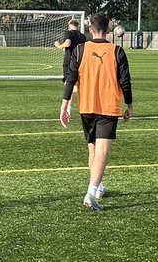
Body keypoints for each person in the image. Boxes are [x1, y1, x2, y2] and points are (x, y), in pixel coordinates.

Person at [60, 12, 133, 212]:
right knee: (102, 150)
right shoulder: (117, 51)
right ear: (109, 30)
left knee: (93, 148)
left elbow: (71, 78)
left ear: (90, 30)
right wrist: (130, 105)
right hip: (108, 107)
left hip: (87, 106)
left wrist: (65, 104)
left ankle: (98, 186)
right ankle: (91, 192)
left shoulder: (80, 50)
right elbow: (125, 82)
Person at [54, 18, 86, 90]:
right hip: (80, 61)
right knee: (77, 83)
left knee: (68, 83)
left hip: (69, 60)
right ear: (77, 26)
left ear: (69, 26)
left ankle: (68, 100)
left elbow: (68, 43)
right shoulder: (83, 36)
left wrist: (58, 45)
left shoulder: (68, 33)